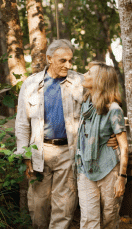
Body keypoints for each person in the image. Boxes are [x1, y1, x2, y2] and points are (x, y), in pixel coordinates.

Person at [14, 39, 84, 229]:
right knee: (38, 205)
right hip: (40, 150)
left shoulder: (80, 81)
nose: (68, 65)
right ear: (49, 59)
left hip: (68, 152)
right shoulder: (31, 84)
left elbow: (100, 108)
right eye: (63, 61)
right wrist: (25, 154)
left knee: (65, 205)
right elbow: (22, 122)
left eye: (70, 61)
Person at [75, 62, 128, 229]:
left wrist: (122, 177)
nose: (84, 74)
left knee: (109, 218)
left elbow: (124, 146)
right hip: (86, 168)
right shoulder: (86, 105)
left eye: (89, 73)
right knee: (88, 220)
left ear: (100, 80)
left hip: (109, 169)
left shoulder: (113, 109)